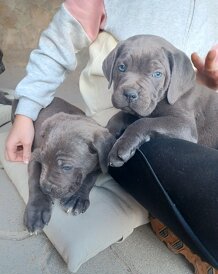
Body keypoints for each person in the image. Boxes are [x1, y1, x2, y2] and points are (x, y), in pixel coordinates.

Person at [4, 0, 218, 163]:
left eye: (155, 73)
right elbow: (56, 46)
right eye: (122, 67)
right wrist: (25, 113)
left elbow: (187, 130)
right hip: (112, 120)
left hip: (189, 136)